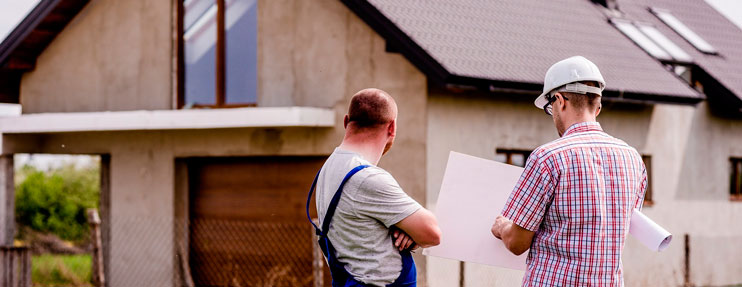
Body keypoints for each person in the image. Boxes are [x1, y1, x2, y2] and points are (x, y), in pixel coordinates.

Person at [490, 56, 647, 286]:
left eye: (549, 107)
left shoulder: (548, 158)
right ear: (598, 106)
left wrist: (503, 227)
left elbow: (517, 243)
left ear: (560, 101)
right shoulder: (633, 158)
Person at [306, 88, 441, 286]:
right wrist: (413, 230)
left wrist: (406, 227)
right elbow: (432, 232)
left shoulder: (328, 169)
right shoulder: (366, 178)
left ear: (346, 122)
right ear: (392, 127)